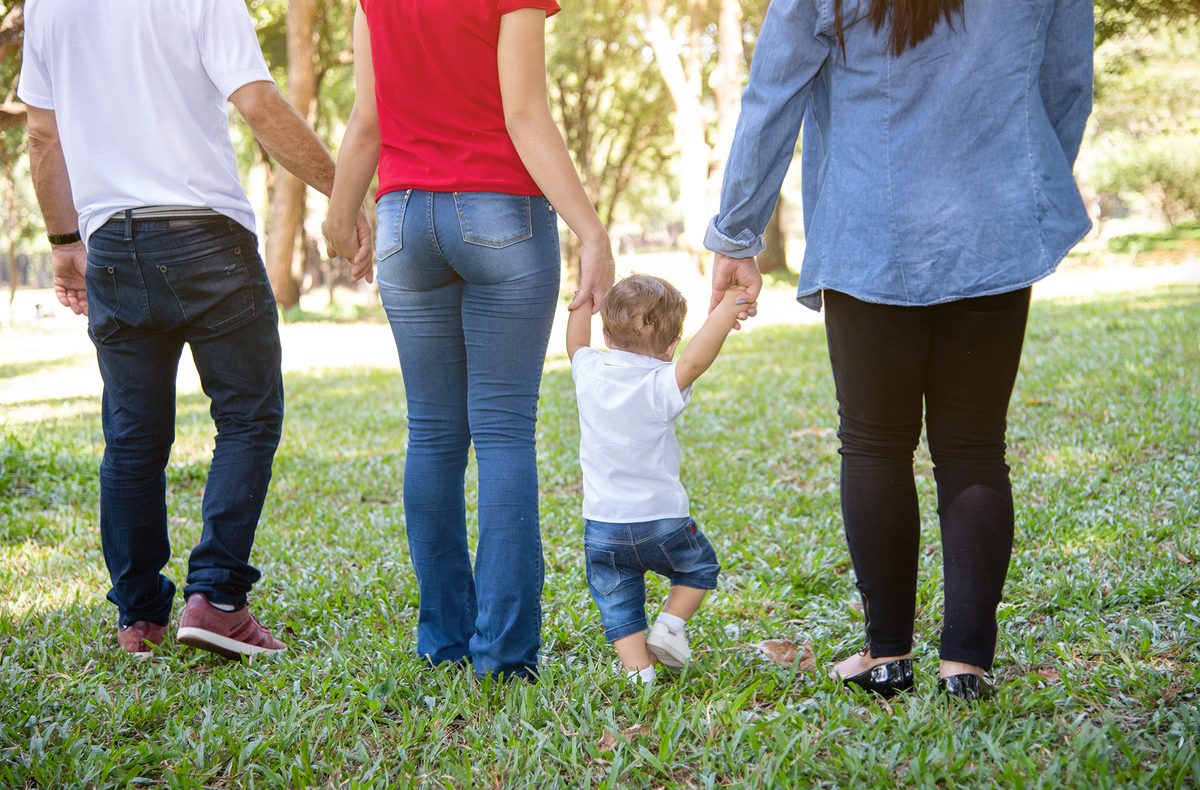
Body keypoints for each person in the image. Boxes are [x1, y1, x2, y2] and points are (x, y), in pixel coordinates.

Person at [706, 0, 1093, 699]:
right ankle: (966, 665)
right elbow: (1067, 83)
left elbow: (775, 90)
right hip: (995, 226)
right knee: (975, 445)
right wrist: (1024, 191)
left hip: (868, 228)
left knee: (874, 444)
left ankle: (886, 655)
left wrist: (737, 232)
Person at [21, 0, 371, 659]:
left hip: (112, 244)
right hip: (207, 238)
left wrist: (65, 242)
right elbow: (259, 103)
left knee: (132, 436)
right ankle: (217, 598)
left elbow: (43, 135)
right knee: (247, 417)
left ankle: (139, 617)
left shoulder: (45, 5)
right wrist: (344, 191)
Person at [323, 1, 614, 680]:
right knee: (504, 432)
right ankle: (504, 658)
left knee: (431, 435)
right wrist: (591, 231)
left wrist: (340, 214)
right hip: (499, 211)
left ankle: (443, 641)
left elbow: (367, 121)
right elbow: (525, 114)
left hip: (403, 220)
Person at [566, 274, 753, 686]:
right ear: (671, 346)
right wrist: (728, 309)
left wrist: (583, 297)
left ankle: (639, 673)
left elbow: (575, 344)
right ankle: (668, 627)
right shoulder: (660, 382)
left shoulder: (588, 370)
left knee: (618, 600)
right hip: (663, 521)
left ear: (606, 334)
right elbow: (694, 361)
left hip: (604, 525)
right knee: (699, 568)